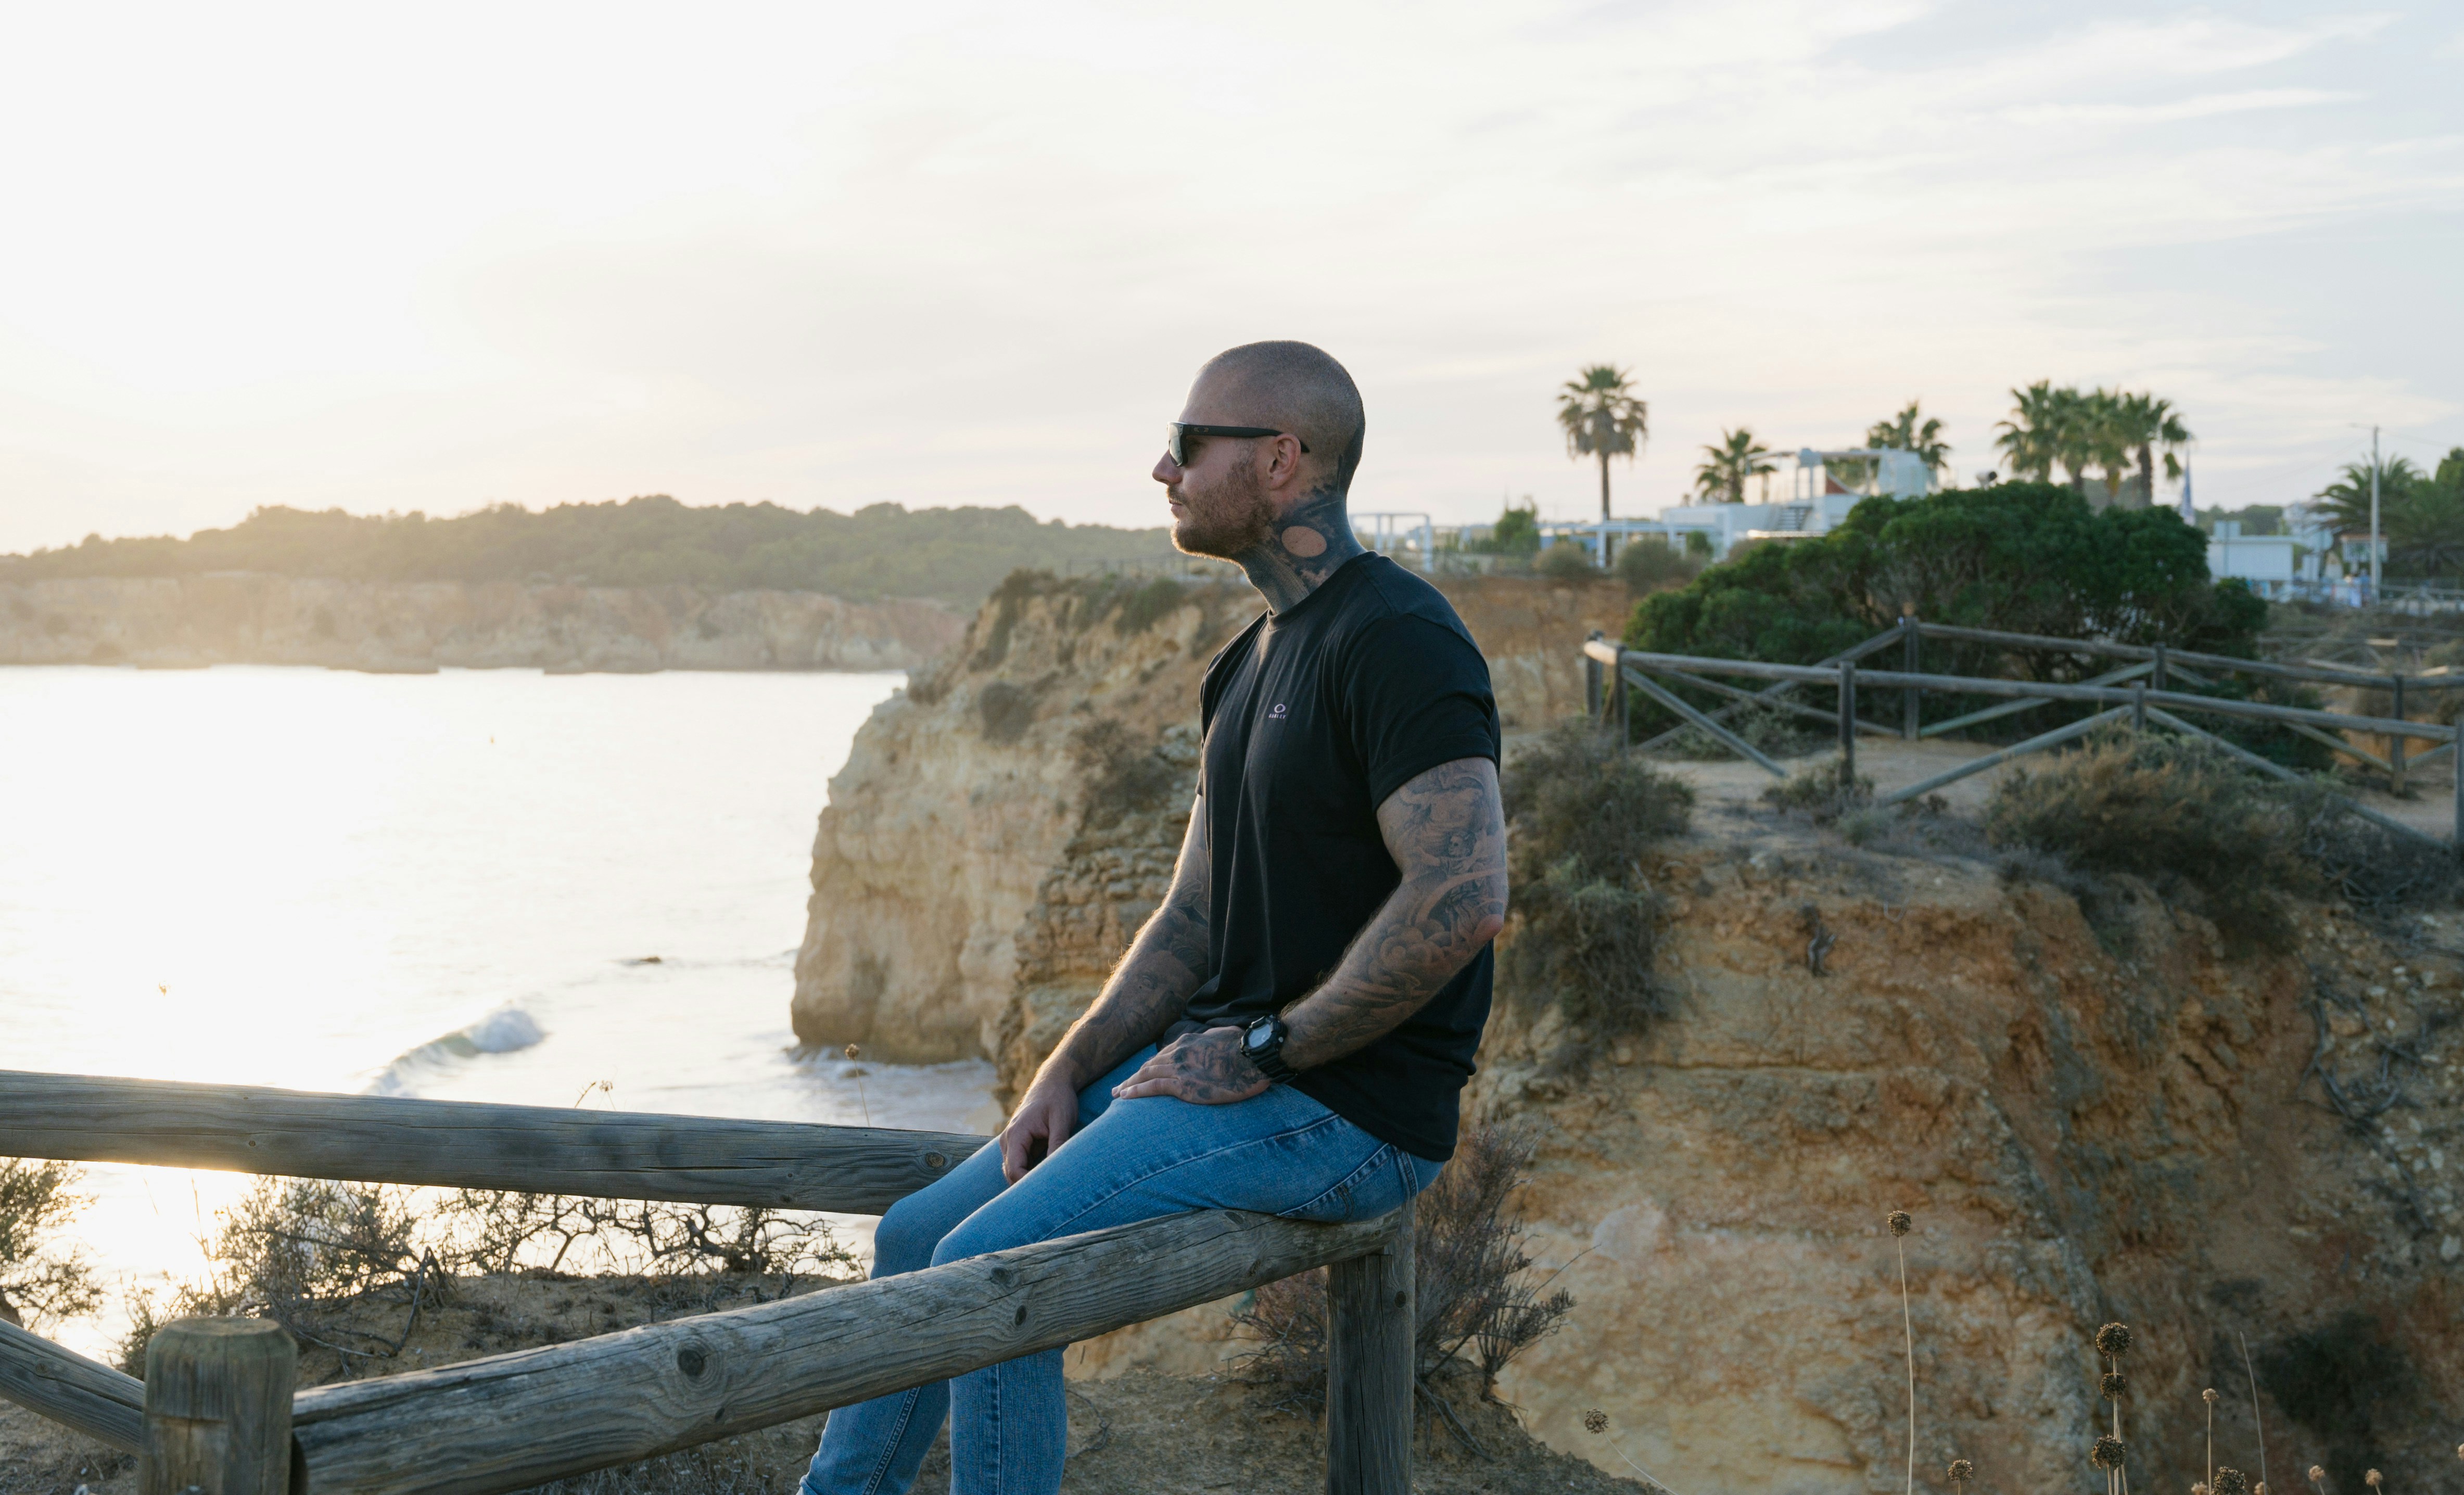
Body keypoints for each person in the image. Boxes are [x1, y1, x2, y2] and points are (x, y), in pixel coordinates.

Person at [799, 340, 1509, 1495]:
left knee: (992, 1266)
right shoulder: (1248, 661)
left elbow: (1465, 893)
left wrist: (1270, 1046)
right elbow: (1189, 914)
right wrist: (1063, 1071)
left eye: (1189, 444)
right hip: (1240, 1072)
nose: (1161, 470)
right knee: (917, 1236)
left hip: (1350, 1107)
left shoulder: (1398, 637)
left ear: (1282, 460)